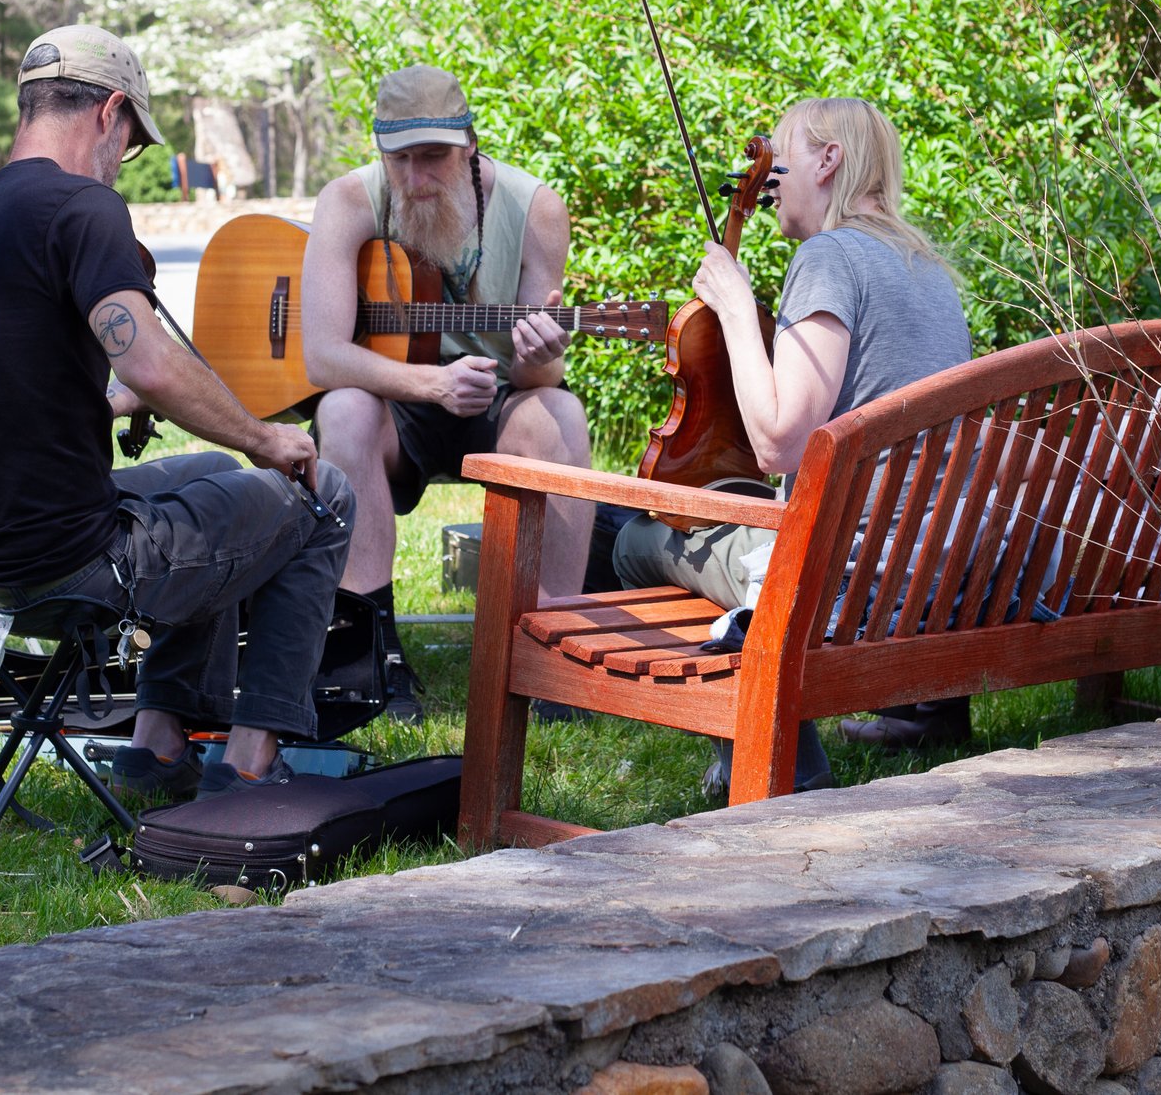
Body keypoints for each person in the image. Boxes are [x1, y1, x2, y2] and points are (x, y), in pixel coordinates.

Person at [0, 25, 354, 798]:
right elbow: (149, 357)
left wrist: (119, 400)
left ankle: (156, 748)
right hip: (68, 565)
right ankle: (251, 763)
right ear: (109, 110)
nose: (123, 161)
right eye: (130, 141)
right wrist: (263, 436)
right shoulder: (84, 208)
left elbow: (14, 387)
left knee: (210, 473)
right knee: (322, 494)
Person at [613, 96, 975, 784]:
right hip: (931, 567)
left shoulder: (829, 257)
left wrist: (733, 303)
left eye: (781, 155)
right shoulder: (927, 268)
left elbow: (781, 442)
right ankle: (915, 712)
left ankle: (770, 738)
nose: (769, 175)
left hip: (849, 580)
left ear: (829, 159)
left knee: (634, 541)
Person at [302, 66, 592, 723]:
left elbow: (537, 377)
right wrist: (430, 382)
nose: (414, 178)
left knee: (563, 413)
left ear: (470, 142)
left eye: (432, 156)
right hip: (395, 400)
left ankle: (553, 659)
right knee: (340, 409)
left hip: (496, 397)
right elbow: (321, 354)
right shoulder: (348, 200)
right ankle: (368, 657)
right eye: (398, 159)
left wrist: (541, 357)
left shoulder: (534, 207)